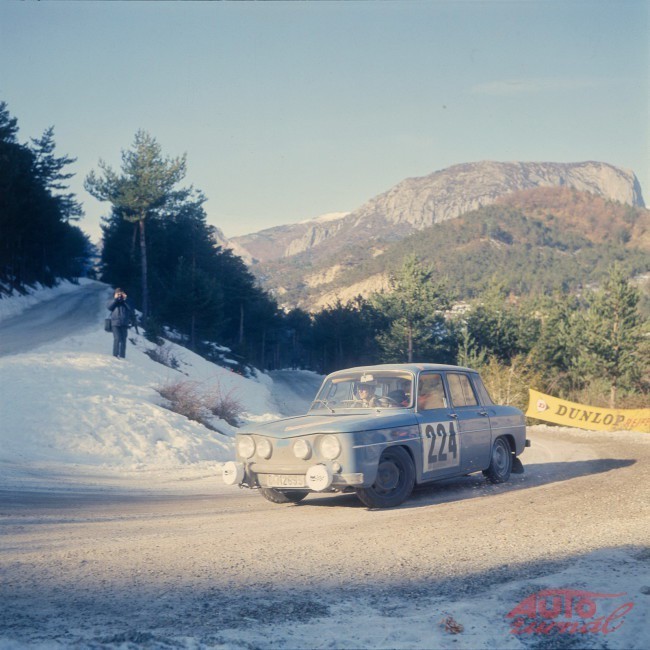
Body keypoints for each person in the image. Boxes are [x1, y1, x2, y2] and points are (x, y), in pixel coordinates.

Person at [107, 288, 133, 358]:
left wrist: (125, 300)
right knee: (117, 338)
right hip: (115, 323)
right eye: (118, 293)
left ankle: (122, 355)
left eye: (121, 293)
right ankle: (115, 355)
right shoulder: (112, 300)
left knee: (123, 339)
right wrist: (115, 300)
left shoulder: (127, 301)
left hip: (124, 323)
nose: (120, 295)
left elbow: (130, 308)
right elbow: (109, 307)